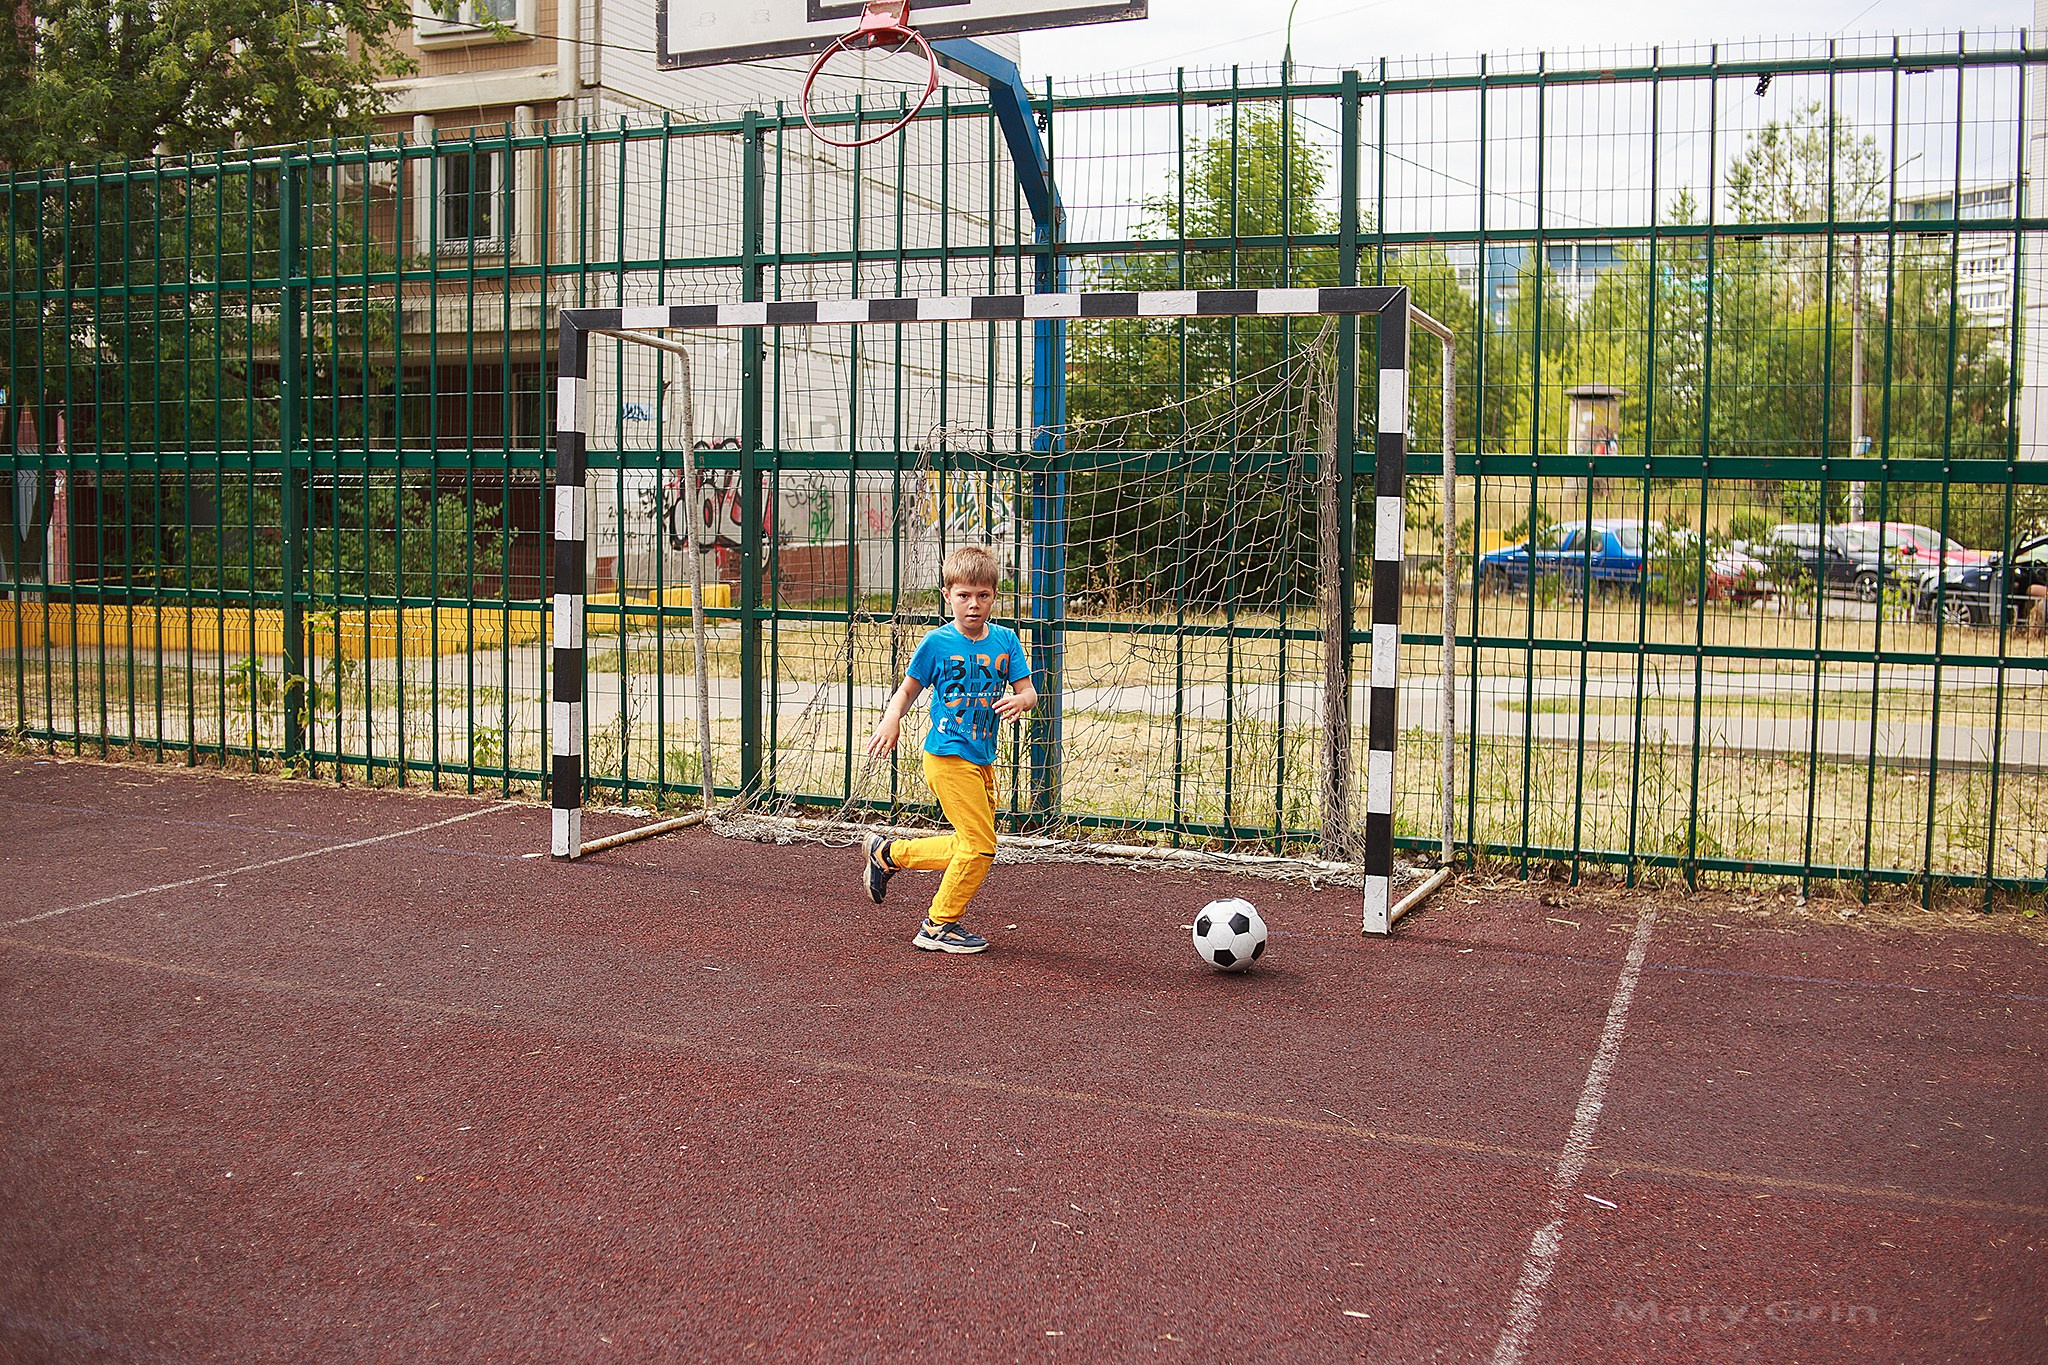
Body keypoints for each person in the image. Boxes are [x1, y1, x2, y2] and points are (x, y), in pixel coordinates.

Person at [861, 544, 1037, 954]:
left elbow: (1028, 691)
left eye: (982, 595)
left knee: (968, 843)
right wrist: (892, 719)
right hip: (945, 755)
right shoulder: (936, 643)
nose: (973, 605)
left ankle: (888, 854)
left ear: (994, 596)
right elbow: (907, 690)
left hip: (982, 757)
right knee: (980, 846)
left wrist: (1021, 701)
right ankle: (938, 926)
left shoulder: (1007, 641)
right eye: (963, 595)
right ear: (947, 595)